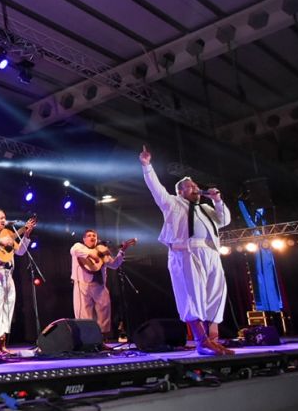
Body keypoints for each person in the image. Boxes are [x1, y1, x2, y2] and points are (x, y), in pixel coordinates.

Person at [139, 145, 234, 356]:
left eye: (195, 186)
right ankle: (202, 342)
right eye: (190, 186)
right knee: (193, 296)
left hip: (211, 253)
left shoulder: (207, 209)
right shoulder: (172, 204)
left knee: (215, 295)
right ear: (180, 191)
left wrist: (217, 200)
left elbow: (225, 220)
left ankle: (214, 341)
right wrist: (147, 166)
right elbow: (156, 188)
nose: (195, 189)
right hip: (186, 252)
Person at [0, 209, 36, 355]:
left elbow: (21, 251)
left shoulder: (7, 233)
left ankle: (1, 344)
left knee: (7, 310)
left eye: (5, 218)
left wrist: (26, 234)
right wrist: (0, 240)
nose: (4, 220)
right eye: (1, 218)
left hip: (7, 275)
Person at [70, 229, 124, 339]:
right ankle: (87, 340)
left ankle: (103, 339)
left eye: (94, 235)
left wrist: (122, 252)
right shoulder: (78, 246)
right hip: (82, 285)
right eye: (89, 235)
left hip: (99, 285)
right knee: (84, 314)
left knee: (104, 312)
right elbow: (74, 251)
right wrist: (93, 255)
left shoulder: (102, 250)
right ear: (84, 239)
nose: (92, 237)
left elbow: (114, 265)